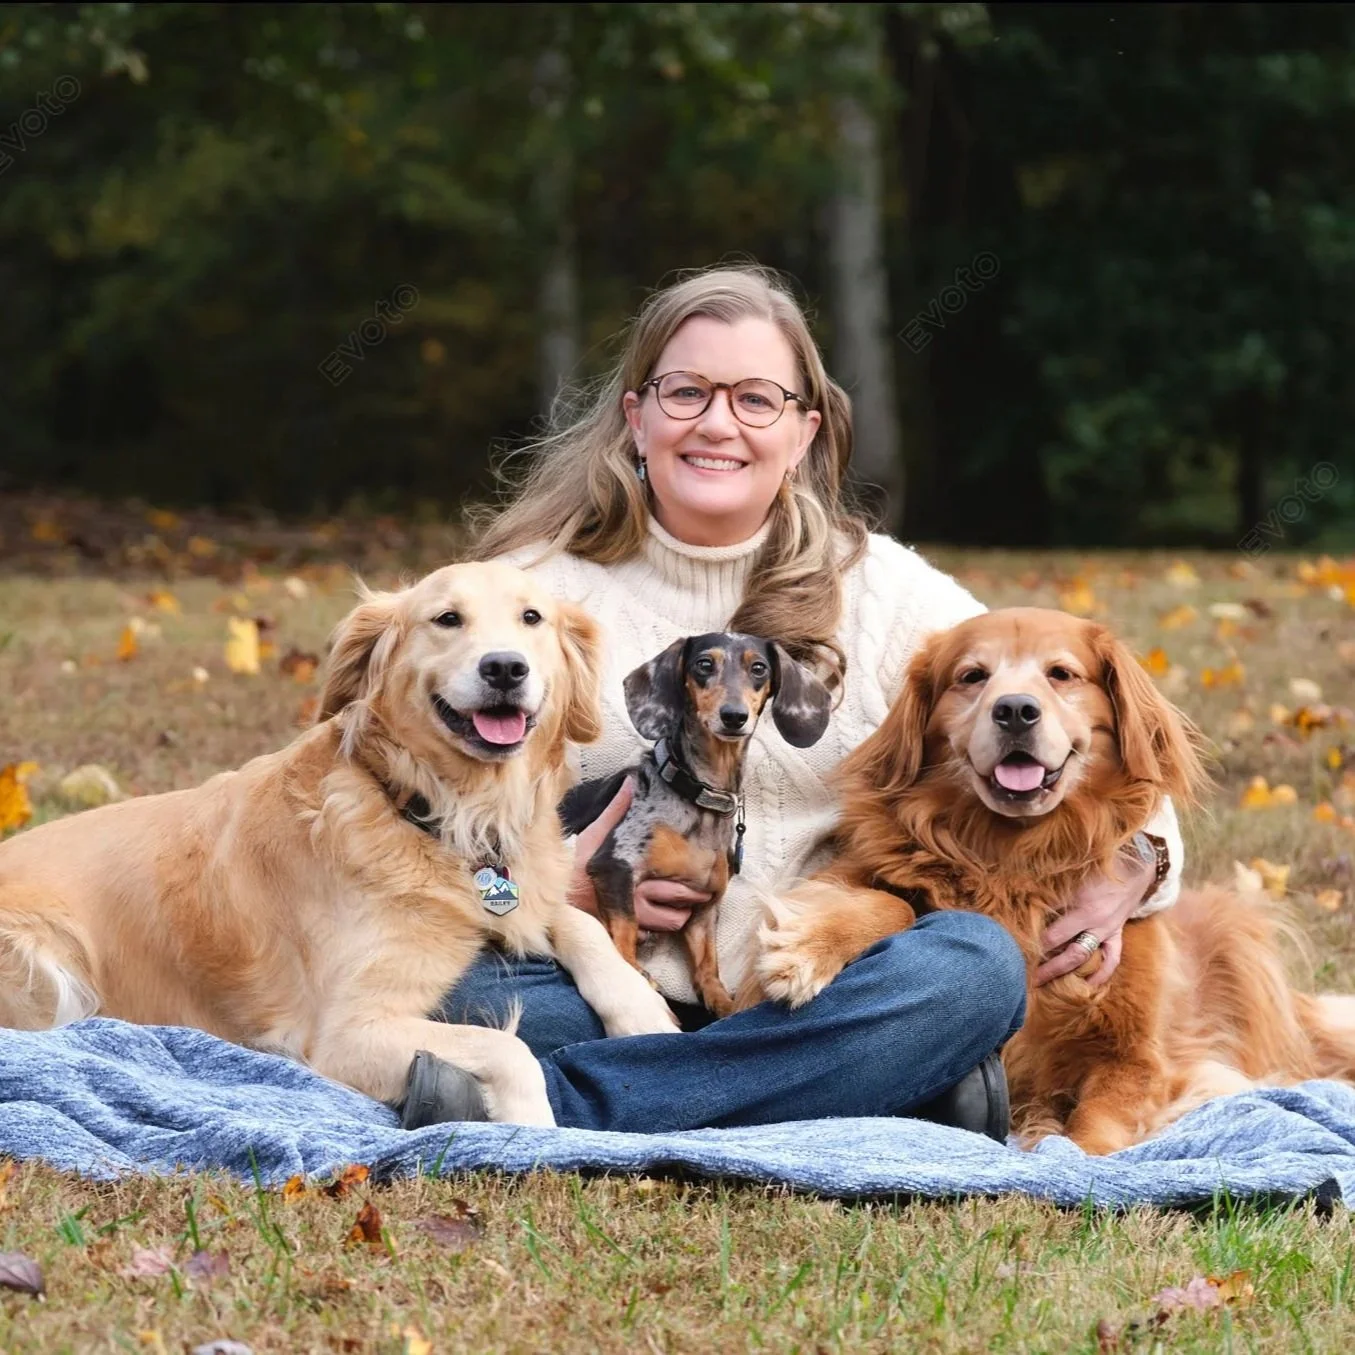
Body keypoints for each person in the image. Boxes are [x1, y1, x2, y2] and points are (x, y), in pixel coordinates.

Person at [399, 265, 1184, 1139]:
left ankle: (576, 1101)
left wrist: (1136, 868)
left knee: (973, 966)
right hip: (591, 984)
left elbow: (1087, 735)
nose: (717, 423)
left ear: (803, 431)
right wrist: (554, 890)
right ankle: (875, 1087)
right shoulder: (525, 595)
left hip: (820, 991)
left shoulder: (886, 591)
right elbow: (400, 828)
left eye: (755, 399)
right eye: (686, 392)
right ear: (636, 416)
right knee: (457, 984)